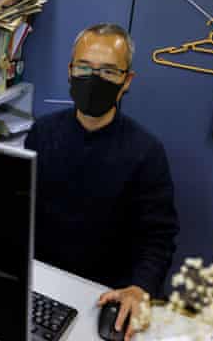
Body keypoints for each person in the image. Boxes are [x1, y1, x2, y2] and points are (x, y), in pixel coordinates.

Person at [25, 23, 179, 341]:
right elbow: (21, 206)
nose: (94, 79)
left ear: (127, 81)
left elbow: (159, 237)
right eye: (84, 67)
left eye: (109, 72)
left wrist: (140, 287)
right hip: (43, 279)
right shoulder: (43, 132)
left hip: (106, 291)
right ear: (70, 71)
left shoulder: (146, 151)